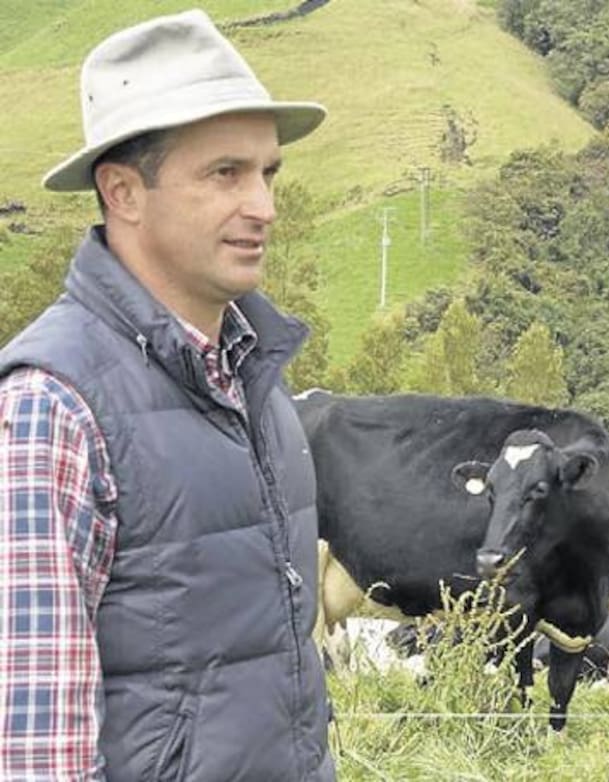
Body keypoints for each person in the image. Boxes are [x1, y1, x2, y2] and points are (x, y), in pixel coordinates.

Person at [0, 10, 334, 780]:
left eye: (268, 172)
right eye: (226, 173)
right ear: (123, 192)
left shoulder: (255, 378)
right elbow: (33, 746)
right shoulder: (50, 408)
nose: (264, 206)